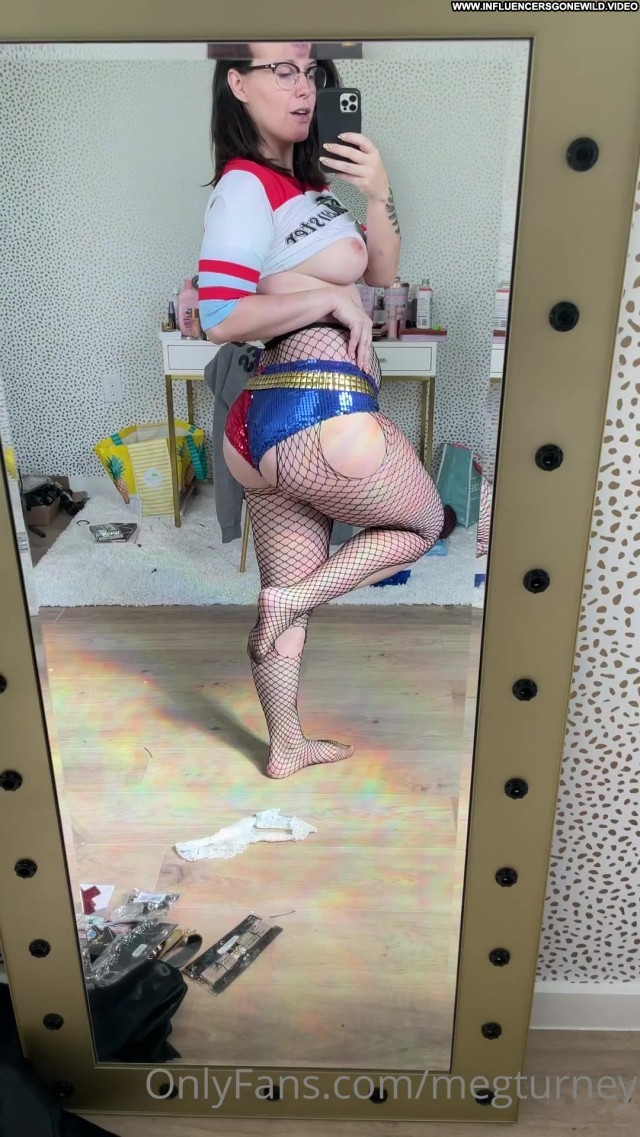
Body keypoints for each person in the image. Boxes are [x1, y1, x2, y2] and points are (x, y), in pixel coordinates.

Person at [198, 42, 445, 779]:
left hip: (268, 426)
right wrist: (329, 299)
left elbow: (383, 274)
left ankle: (285, 747)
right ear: (237, 83)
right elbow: (219, 315)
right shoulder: (244, 185)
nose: (303, 87)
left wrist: (377, 193)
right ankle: (292, 598)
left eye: (310, 72)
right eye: (282, 70)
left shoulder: (307, 189)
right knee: (423, 524)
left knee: (286, 608)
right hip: (319, 407)